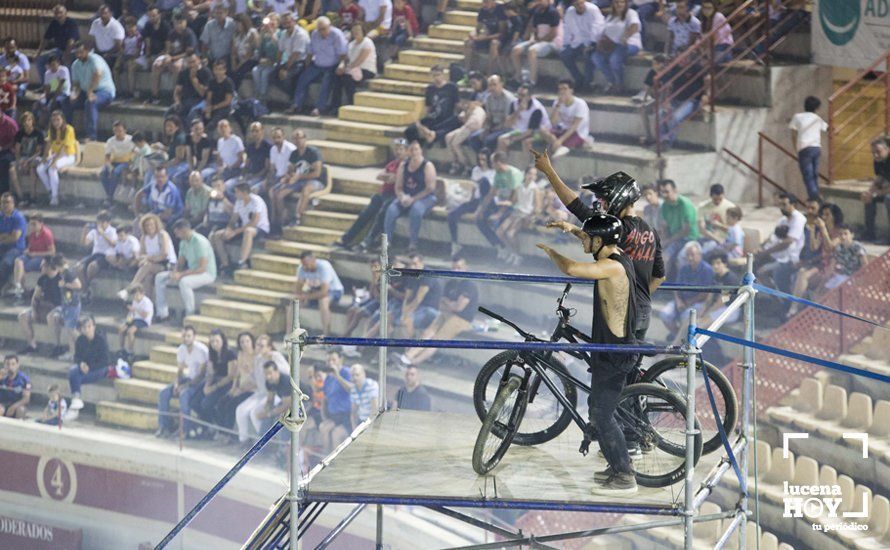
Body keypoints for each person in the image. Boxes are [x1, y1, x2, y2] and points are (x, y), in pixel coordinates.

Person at [538, 213, 639, 495]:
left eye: (588, 238)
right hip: (610, 348)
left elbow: (570, 268)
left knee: (602, 414)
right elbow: (591, 240)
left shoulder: (611, 268)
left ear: (599, 241)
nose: (584, 241)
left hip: (613, 352)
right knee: (600, 406)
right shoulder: (619, 256)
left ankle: (625, 475)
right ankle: (614, 463)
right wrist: (570, 228)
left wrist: (551, 251)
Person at [399, 255, 478, 366]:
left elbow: (459, 308)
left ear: (466, 268)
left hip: (462, 319)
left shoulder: (468, 285)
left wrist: (448, 303)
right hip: (447, 314)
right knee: (427, 333)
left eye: (459, 268)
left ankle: (412, 363)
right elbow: (440, 305)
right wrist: (451, 305)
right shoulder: (451, 283)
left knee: (436, 340)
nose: (456, 271)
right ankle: (407, 356)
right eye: (454, 268)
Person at [335, 139, 406, 250]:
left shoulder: (407, 165)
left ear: (406, 151)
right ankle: (346, 239)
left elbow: (396, 179)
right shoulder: (393, 164)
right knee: (365, 213)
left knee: (381, 213)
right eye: (396, 149)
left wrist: (390, 177)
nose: (398, 151)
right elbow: (379, 176)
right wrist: (390, 177)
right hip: (384, 194)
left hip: (395, 196)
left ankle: (366, 242)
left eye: (401, 149)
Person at [155, 219, 217, 321]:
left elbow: (202, 268)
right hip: (192, 271)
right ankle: (162, 313)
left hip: (207, 274)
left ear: (184, 230)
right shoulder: (183, 242)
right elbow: (180, 263)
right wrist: (175, 272)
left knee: (185, 282)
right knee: (160, 277)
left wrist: (181, 275)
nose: (176, 236)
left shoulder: (200, 242)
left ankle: (190, 314)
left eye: (177, 233)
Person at [382, 141, 437, 253]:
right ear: (408, 152)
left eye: (416, 149)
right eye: (411, 150)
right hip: (407, 196)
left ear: (421, 150)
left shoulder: (427, 165)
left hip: (425, 197)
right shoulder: (404, 165)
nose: (414, 152)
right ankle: (387, 242)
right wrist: (402, 197)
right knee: (391, 210)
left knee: (416, 210)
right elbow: (398, 187)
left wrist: (413, 199)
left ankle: (413, 243)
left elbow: (430, 188)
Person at [156, 325, 209, 438]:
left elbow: (202, 374)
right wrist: (176, 384)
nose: (186, 338)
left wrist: (184, 386)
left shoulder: (201, 350)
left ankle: (185, 429)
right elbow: (180, 371)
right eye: (184, 336)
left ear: (194, 337)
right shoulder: (181, 349)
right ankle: (163, 426)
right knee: (163, 393)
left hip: (201, 381)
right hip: (188, 378)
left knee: (184, 394)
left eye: (189, 336)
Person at [291, 17, 348, 116]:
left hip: (332, 65)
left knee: (326, 82)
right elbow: (310, 52)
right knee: (303, 78)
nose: (321, 32)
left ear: (329, 27)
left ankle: (319, 108)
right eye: (319, 29)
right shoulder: (314, 34)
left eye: (324, 29)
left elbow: (343, 54)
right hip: (317, 64)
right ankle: (297, 104)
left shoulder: (337, 35)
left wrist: (341, 65)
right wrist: (306, 66)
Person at [211, 182, 270, 274]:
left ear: (244, 192)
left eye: (237, 192)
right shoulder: (239, 202)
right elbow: (233, 219)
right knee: (217, 235)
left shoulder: (256, 201)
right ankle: (225, 264)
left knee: (248, 231)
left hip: (260, 228)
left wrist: (235, 232)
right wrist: (229, 230)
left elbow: (254, 222)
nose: (235, 194)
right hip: (243, 227)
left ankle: (242, 262)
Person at [271, 130, 324, 229]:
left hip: (315, 181)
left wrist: (299, 176)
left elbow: (317, 173)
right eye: (295, 138)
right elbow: (290, 170)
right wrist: (287, 177)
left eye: (300, 137)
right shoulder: (294, 154)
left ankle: (297, 217)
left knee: (306, 190)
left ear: (305, 138)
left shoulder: (313, 152)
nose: (298, 140)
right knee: (278, 193)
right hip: (298, 180)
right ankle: (283, 219)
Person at [659, 241, 715, 334]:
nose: (690, 258)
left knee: (686, 317)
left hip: (697, 303)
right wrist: (679, 301)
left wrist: (689, 302)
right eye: (687, 255)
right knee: (665, 314)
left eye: (692, 255)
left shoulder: (707, 270)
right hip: (682, 301)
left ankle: (682, 339)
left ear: (699, 255)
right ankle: (678, 336)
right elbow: (676, 287)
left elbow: (705, 293)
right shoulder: (684, 268)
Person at [755, 192, 806, 295]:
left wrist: (765, 252)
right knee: (752, 264)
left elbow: (787, 242)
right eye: (780, 205)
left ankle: (781, 299)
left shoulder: (799, 219)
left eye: (784, 205)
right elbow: (771, 236)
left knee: (762, 271)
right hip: (778, 256)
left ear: (793, 205)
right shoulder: (783, 220)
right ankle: (773, 297)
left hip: (791, 259)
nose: (781, 208)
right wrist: (760, 248)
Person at [447, 149, 495, 256]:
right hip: (476, 200)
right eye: (480, 159)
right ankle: (455, 243)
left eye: (484, 159)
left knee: (481, 220)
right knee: (452, 215)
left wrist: (481, 207)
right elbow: (474, 188)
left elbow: (490, 192)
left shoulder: (493, 172)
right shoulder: (476, 170)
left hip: (487, 202)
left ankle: (497, 246)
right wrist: (470, 201)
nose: (481, 161)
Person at [118, 214, 176, 300]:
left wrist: (149, 258)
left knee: (147, 266)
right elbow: (142, 255)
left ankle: (128, 290)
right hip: (152, 265)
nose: (149, 227)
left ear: (156, 225)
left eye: (151, 224)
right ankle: (148, 305)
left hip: (167, 264)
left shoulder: (162, 235)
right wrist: (144, 259)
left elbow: (164, 254)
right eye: (147, 225)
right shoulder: (144, 238)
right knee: (148, 277)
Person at [191, 329, 236, 435]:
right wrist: (207, 385)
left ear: (223, 341)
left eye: (217, 341)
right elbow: (211, 373)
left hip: (225, 382)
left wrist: (213, 387)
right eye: (212, 342)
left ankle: (219, 428)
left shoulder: (230, 354)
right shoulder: (212, 353)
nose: (214, 344)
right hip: (214, 380)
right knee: (194, 402)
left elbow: (230, 376)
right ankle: (208, 424)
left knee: (207, 403)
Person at [591, 0, 642, 94]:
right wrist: (599, 42)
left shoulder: (630, 13)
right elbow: (603, 31)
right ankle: (612, 81)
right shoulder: (610, 16)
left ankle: (619, 84)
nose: (619, 4)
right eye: (616, 2)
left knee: (614, 59)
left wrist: (625, 37)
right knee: (596, 58)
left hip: (629, 44)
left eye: (621, 2)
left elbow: (635, 26)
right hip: (611, 45)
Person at [69, 42, 116, 141]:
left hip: (104, 91)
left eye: (81, 52)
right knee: (65, 101)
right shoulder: (75, 65)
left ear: (86, 51)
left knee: (90, 102)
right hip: (85, 91)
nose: (79, 55)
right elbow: (76, 84)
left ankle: (91, 136)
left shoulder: (95, 59)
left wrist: (90, 92)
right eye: (77, 53)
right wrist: (74, 94)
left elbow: (97, 75)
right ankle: (66, 131)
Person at [214, 332, 257, 440]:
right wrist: (234, 388)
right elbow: (237, 374)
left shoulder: (256, 357)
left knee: (231, 405)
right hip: (240, 388)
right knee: (221, 402)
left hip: (252, 390)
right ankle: (222, 431)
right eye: (242, 342)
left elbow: (257, 381)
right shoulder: (241, 354)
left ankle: (228, 434)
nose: (245, 344)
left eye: (247, 341)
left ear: (252, 342)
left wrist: (241, 390)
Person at [510, 0, 562, 87]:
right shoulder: (536, 12)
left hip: (551, 43)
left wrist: (539, 41)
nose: (540, 2)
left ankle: (532, 81)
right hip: (538, 41)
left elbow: (553, 34)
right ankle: (519, 78)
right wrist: (533, 39)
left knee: (532, 50)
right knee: (516, 50)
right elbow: (535, 29)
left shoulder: (553, 12)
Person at [405, 65, 460, 146]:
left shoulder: (452, 87)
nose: (436, 78)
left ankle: (431, 136)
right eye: (434, 75)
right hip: (433, 117)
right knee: (410, 130)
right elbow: (428, 107)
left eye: (438, 75)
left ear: (443, 75)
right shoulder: (430, 89)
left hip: (446, 118)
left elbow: (457, 104)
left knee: (449, 126)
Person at [66, 315, 110, 414]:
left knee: (77, 378)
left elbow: (105, 360)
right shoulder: (80, 340)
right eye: (84, 327)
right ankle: (76, 398)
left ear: (94, 327)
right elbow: (77, 357)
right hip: (85, 366)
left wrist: (90, 367)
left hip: (99, 368)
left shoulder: (101, 340)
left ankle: (75, 406)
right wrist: (81, 364)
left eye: (89, 327)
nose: (87, 330)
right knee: (73, 372)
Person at [540, 78, 593, 158]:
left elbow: (574, 127)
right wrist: (557, 106)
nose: (562, 91)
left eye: (565, 88)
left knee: (552, 147)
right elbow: (552, 122)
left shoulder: (580, 104)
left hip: (578, 132)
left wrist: (560, 140)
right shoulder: (557, 102)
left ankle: (583, 142)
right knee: (542, 130)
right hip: (563, 129)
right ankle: (560, 147)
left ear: (571, 90)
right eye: (560, 89)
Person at [150, 14, 197, 102]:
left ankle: (175, 96)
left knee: (176, 66)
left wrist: (172, 58)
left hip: (187, 58)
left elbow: (188, 53)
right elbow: (168, 49)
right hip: (172, 57)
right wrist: (167, 56)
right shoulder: (171, 33)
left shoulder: (189, 34)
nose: (178, 25)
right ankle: (155, 96)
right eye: (176, 23)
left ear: (185, 22)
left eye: (180, 23)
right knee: (156, 65)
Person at [295, 250, 344, 335]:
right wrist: (301, 296)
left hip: (334, 291)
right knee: (294, 301)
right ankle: (289, 334)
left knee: (323, 301)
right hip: (315, 290)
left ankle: (326, 335)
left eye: (307, 264)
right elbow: (297, 289)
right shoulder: (302, 268)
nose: (305, 267)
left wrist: (306, 297)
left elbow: (324, 292)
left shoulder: (324, 266)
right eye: (303, 264)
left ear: (313, 259)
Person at [789, 96, 828, 200]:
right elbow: (828, 128)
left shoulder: (797, 116)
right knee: (814, 176)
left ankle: (815, 200)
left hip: (804, 149)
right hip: (816, 148)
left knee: (808, 177)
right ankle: (815, 199)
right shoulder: (817, 118)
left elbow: (793, 134)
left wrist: (796, 150)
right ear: (816, 108)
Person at [9, 214, 55, 300]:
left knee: (24, 267)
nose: (32, 226)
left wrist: (35, 254)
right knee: (18, 261)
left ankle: (20, 291)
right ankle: (18, 286)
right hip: (31, 254)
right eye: (30, 224)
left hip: (41, 257)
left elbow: (52, 252)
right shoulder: (33, 233)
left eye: (34, 224)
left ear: (41, 224)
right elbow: (31, 246)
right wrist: (27, 250)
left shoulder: (47, 234)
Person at [658, 178, 699, 276]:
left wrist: (668, 241)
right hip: (674, 240)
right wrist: (663, 242)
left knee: (682, 258)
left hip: (689, 239)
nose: (664, 195)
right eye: (662, 192)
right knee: (663, 257)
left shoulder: (685, 204)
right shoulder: (664, 206)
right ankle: (662, 285)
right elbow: (664, 227)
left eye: (667, 192)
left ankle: (681, 288)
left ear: (675, 190)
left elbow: (685, 231)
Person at [560, 0, 603, 92]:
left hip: (595, 41)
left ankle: (588, 83)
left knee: (589, 56)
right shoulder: (570, 12)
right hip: (578, 42)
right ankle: (578, 79)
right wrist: (566, 44)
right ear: (573, 5)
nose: (580, 6)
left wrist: (591, 44)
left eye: (581, 3)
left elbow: (597, 27)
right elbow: (568, 29)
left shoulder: (593, 9)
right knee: (565, 55)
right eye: (577, 4)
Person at [496, 83, 550, 154]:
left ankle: (528, 164)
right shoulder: (514, 103)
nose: (520, 98)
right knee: (501, 139)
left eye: (523, 95)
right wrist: (518, 111)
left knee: (526, 142)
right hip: (521, 130)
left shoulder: (536, 109)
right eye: (519, 94)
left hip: (539, 132)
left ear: (529, 96)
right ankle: (501, 162)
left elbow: (530, 132)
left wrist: (513, 139)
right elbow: (507, 124)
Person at [37, 110, 76, 206]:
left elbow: (64, 148)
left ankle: (55, 197)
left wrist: (54, 161)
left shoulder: (69, 129)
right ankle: (50, 190)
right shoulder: (51, 131)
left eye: (58, 120)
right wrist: (44, 158)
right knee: (40, 169)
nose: (56, 122)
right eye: (54, 120)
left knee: (52, 168)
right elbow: (48, 144)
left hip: (68, 155)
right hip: (56, 155)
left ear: (62, 120)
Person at [35, 5, 80, 83]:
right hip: (59, 51)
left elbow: (71, 41)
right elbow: (45, 39)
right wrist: (38, 53)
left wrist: (66, 55)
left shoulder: (71, 23)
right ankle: (46, 86)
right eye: (56, 13)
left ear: (65, 13)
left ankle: (69, 88)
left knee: (67, 64)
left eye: (60, 13)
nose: (58, 15)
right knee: (40, 60)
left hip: (72, 51)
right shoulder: (54, 23)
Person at [470, 75, 515, 153]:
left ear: (501, 84)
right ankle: (481, 160)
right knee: (473, 138)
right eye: (490, 85)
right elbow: (489, 117)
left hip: (507, 127)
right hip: (493, 126)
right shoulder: (488, 98)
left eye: (494, 85)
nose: (492, 88)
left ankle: (489, 162)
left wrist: (494, 130)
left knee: (489, 140)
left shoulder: (509, 99)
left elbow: (508, 120)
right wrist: (487, 128)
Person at [79, 211, 118, 300]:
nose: (100, 225)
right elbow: (84, 243)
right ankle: (86, 289)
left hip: (106, 256)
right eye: (99, 222)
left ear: (108, 222)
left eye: (102, 222)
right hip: (95, 254)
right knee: (79, 267)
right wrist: (84, 231)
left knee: (92, 267)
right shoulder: (94, 231)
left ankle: (86, 289)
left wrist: (102, 233)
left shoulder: (113, 231)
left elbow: (113, 244)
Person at [319, 350, 352, 450]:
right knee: (323, 427)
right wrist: (324, 417)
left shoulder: (346, 372)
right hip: (333, 416)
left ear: (340, 360)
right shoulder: (328, 378)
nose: (331, 363)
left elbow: (352, 389)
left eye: (333, 360)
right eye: (328, 361)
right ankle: (325, 459)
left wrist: (337, 376)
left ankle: (333, 462)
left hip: (345, 416)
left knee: (336, 434)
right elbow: (324, 400)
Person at [464, 0, 508, 75]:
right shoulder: (482, 10)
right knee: (468, 42)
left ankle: (489, 73)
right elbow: (478, 28)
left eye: (487, 2)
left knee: (494, 44)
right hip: (487, 35)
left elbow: (502, 32)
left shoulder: (500, 10)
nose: (484, 4)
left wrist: (485, 37)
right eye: (483, 2)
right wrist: (473, 34)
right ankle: (467, 71)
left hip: (498, 37)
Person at [10, 112, 45, 206]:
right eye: (25, 121)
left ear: (32, 121)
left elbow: (38, 152)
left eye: (29, 120)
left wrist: (27, 161)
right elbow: (17, 150)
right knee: (12, 170)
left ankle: (32, 197)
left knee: (32, 169)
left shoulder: (38, 133)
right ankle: (21, 197)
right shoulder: (20, 134)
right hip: (23, 158)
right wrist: (19, 161)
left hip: (34, 158)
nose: (27, 122)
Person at [445, 99, 487, 174]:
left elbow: (475, 125)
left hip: (472, 129)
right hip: (465, 128)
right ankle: (455, 163)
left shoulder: (479, 111)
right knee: (448, 137)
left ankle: (467, 165)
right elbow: (461, 119)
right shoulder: (468, 109)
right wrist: (466, 114)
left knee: (455, 143)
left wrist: (465, 119)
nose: (469, 104)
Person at [860, 136, 890, 243]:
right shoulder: (878, 160)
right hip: (886, 186)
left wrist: (876, 193)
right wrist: (869, 192)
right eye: (873, 153)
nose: (875, 155)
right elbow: (879, 178)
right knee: (868, 198)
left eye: (878, 151)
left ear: (887, 149)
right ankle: (869, 232)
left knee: (888, 199)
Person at [822, 225, 868, 291]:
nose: (843, 237)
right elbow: (832, 264)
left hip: (853, 278)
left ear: (852, 235)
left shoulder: (857, 247)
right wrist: (826, 276)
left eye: (846, 234)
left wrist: (860, 281)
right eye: (841, 234)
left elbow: (865, 265)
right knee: (826, 287)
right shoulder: (838, 248)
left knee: (837, 286)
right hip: (840, 276)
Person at [101, 121, 136, 207]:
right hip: (115, 161)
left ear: (125, 131)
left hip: (126, 162)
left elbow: (135, 153)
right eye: (115, 131)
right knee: (103, 173)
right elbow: (107, 157)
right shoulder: (110, 141)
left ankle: (109, 198)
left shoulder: (131, 140)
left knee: (115, 173)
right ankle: (110, 196)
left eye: (120, 131)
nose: (118, 133)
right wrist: (109, 166)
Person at [167, 54, 210, 121]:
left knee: (192, 115)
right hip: (185, 100)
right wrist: (177, 101)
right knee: (169, 114)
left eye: (193, 62)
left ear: (198, 60)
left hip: (200, 101)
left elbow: (203, 93)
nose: (192, 65)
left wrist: (193, 79)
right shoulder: (183, 73)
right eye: (189, 63)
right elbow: (177, 91)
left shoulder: (206, 72)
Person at [34, 56, 71, 130]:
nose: (52, 67)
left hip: (63, 93)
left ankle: (49, 127)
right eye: (51, 65)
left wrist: (52, 100)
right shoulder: (47, 73)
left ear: (58, 64)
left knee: (51, 105)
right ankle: (35, 125)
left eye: (54, 64)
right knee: (37, 104)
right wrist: (44, 97)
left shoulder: (63, 70)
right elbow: (47, 88)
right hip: (52, 93)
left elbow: (60, 87)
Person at [697, 183, 736, 252]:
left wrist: (719, 225)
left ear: (723, 195)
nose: (718, 202)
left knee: (706, 249)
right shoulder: (702, 207)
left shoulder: (731, 207)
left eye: (720, 199)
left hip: (724, 240)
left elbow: (734, 231)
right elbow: (701, 229)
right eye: (715, 199)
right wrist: (716, 239)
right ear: (711, 196)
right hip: (707, 237)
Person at [0, 193, 27, 289]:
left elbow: (14, 238)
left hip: (16, 248)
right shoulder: (1, 216)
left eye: (7, 202)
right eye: (2, 202)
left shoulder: (18, 218)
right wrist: (8, 235)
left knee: (5, 264)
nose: (4, 205)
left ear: (13, 204)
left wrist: (4, 237)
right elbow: (11, 236)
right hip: (3, 245)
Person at [89, 5, 125, 69]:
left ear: (110, 14)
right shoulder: (95, 23)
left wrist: (107, 54)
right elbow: (92, 40)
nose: (103, 16)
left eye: (105, 13)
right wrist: (97, 52)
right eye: (101, 13)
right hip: (98, 52)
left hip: (112, 54)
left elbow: (118, 46)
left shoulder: (116, 26)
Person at [231, 13, 260, 87]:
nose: (237, 25)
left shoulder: (251, 33)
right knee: (230, 70)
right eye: (236, 23)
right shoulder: (235, 35)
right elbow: (233, 52)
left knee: (239, 72)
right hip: (240, 58)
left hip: (250, 60)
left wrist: (238, 66)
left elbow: (249, 53)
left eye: (239, 23)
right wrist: (233, 63)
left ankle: (236, 90)